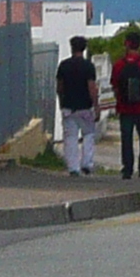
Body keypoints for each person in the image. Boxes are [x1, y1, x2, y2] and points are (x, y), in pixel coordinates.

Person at [110, 27, 140, 178]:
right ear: (139, 45)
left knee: (127, 139)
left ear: (126, 44)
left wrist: (120, 101)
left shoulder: (119, 65)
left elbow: (115, 86)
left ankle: (127, 169)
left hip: (125, 109)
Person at [54, 34, 100, 176]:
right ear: (84, 48)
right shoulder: (88, 66)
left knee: (70, 138)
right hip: (85, 107)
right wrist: (96, 105)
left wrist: (62, 101)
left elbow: (59, 87)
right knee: (88, 135)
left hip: (68, 107)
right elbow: (91, 87)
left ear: (71, 47)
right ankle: (87, 164)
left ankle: (73, 167)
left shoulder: (64, 65)